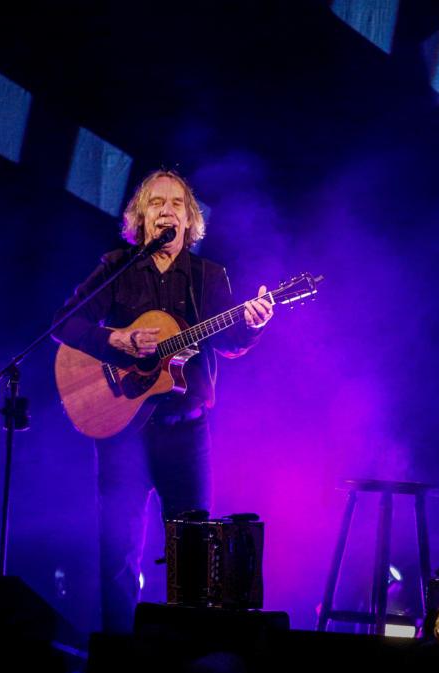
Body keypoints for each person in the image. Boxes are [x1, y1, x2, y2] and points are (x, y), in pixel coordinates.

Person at [52, 169, 274, 632]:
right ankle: (116, 650)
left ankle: (183, 652)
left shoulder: (209, 276)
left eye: (176, 203)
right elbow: (65, 325)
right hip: (122, 434)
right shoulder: (116, 266)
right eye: (155, 203)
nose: (166, 210)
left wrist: (251, 323)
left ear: (190, 219)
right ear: (140, 217)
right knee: (118, 550)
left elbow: (230, 341)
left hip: (186, 428)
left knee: (192, 547)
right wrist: (117, 339)